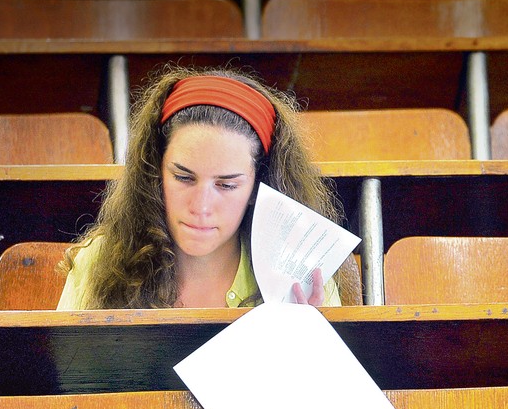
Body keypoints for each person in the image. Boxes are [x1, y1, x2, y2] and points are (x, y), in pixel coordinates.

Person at [58, 66, 349, 309]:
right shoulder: (101, 260)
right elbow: (66, 375)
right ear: (155, 171)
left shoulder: (302, 274)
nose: (201, 206)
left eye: (226, 184)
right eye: (183, 178)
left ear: (257, 187)